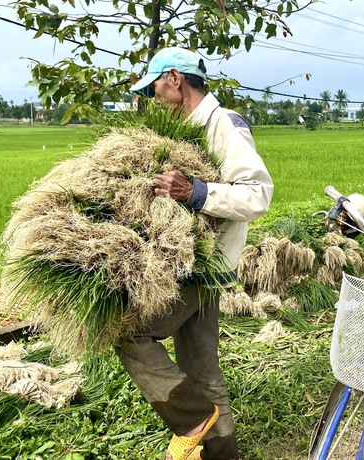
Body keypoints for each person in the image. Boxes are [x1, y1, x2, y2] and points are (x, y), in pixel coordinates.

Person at [120, 47, 274, 460]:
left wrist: (195, 191)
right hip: (187, 264)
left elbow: (258, 195)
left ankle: (190, 419)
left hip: (203, 267)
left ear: (174, 78)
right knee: (202, 370)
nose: (153, 98)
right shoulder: (183, 129)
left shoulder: (223, 125)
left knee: (126, 330)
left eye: (154, 88)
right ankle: (222, 454)